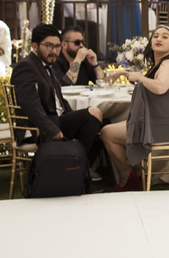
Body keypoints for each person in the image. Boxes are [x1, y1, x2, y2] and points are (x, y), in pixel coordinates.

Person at [98, 25, 169, 191]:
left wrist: (139, 77)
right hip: (164, 124)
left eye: (165, 37)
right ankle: (139, 175)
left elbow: (160, 87)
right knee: (119, 127)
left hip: (161, 128)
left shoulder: (167, 64)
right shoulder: (164, 64)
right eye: (156, 36)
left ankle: (127, 178)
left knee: (107, 133)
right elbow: (151, 84)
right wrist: (123, 74)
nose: (159, 39)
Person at [10, 23, 103, 162]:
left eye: (57, 46)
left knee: (102, 129)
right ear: (34, 46)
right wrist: (52, 130)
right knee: (94, 113)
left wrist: (73, 117)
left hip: (57, 120)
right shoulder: (26, 66)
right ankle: (77, 167)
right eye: (49, 46)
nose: (54, 51)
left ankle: (78, 169)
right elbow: (30, 105)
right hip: (40, 129)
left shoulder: (47, 67)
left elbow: (60, 100)